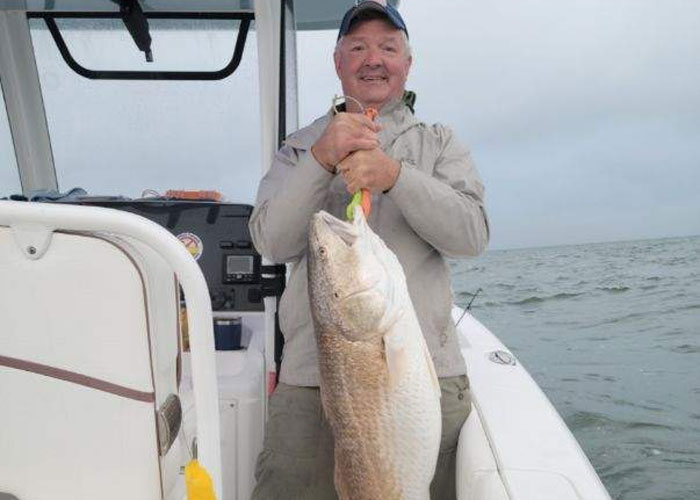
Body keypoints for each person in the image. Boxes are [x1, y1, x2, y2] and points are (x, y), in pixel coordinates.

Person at [249, 1, 489, 498]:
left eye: (387, 46)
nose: (372, 59)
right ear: (338, 63)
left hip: (420, 376)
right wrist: (320, 159)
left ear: (407, 62)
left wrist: (396, 176)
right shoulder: (297, 149)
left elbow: (471, 235)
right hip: (311, 379)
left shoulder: (439, 143)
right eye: (357, 47)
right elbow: (271, 241)